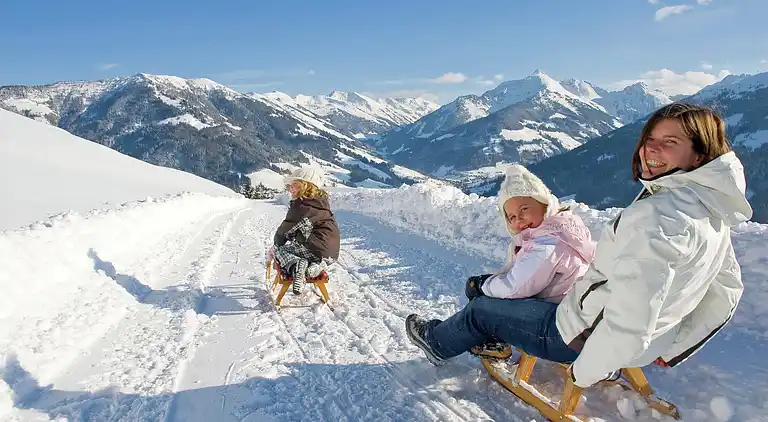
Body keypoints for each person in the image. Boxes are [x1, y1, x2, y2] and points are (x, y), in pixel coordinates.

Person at [405, 102, 753, 389]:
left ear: (698, 156)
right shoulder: (713, 213)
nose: (651, 149)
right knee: (511, 297)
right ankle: (493, 338)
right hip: (637, 339)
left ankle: (436, 342)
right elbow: (726, 292)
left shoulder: (656, 219)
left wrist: (587, 370)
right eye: (651, 138)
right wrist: (676, 345)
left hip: (575, 335)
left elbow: (632, 317)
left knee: (480, 307)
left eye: (671, 142)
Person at [462, 164, 596, 358]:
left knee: (479, 298)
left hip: (562, 330)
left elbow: (515, 287)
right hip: (576, 316)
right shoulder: (566, 229)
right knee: (489, 288)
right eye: (512, 217)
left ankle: (439, 340)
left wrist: (482, 285)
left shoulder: (547, 244)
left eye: (525, 209)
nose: (519, 220)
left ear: (545, 204)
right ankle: (493, 338)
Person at [267, 167, 340, 294]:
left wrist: (276, 244)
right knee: (298, 245)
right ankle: (314, 267)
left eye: (295, 184)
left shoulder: (301, 205)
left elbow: (285, 230)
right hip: (331, 253)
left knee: (280, 250)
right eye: (290, 185)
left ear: (306, 186)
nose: (291, 188)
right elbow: (301, 228)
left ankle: (296, 266)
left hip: (315, 249)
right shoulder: (320, 202)